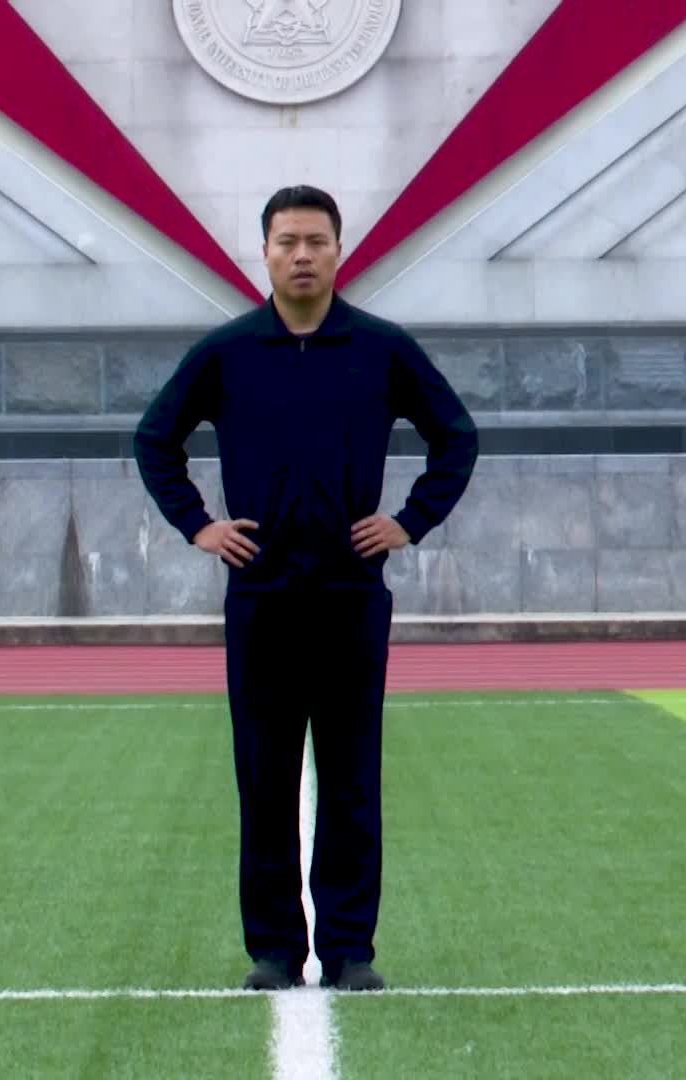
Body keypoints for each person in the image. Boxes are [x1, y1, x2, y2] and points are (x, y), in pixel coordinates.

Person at [133, 185, 479, 992]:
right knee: (265, 777)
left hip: (351, 595)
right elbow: (155, 439)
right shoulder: (228, 353)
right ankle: (275, 949)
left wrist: (408, 522)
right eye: (287, 241)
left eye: (315, 241)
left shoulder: (381, 349)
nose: (301, 255)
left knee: (353, 779)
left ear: (337, 251)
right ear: (264, 253)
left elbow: (456, 437)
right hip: (260, 598)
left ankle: (351, 950)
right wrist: (199, 526)